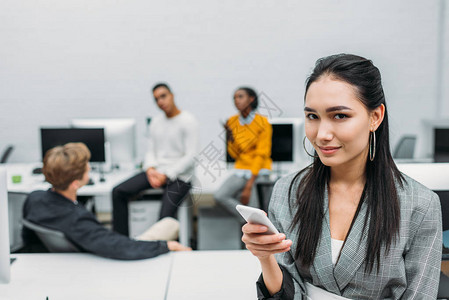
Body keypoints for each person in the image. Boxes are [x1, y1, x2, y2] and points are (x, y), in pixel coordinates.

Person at [242, 54, 442, 299]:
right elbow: (285, 293)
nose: (322, 134)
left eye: (340, 116)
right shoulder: (288, 191)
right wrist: (266, 258)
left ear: (375, 117)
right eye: (313, 116)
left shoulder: (419, 205)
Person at [22, 143, 190, 260]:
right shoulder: (78, 220)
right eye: (86, 168)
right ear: (75, 184)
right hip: (108, 257)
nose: (89, 168)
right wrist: (166, 246)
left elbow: (28, 238)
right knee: (171, 225)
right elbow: (120, 248)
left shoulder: (34, 198)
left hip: (76, 256)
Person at [112, 83, 199, 236]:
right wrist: (151, 169)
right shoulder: (156, 122)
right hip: (157, 172)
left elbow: (191, 156)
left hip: (180, 176)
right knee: (118, 192)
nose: (160, 102)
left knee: (164, 218)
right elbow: (151, 151)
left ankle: (163, 249)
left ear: (172, 95)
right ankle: (121, 240)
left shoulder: (188, 121)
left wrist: (166, 175)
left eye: (163, 96)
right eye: (157, 99)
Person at [214, 87, 272, 220]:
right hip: (241, 169)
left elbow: (261, 154)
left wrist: (249, 185)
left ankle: (252, 222)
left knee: (254, 207)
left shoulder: (262, 122)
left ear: (251, 99)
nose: (236, 101)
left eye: (240, 96)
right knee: (220, 195)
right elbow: (234, 155)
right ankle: (248, 220)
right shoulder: (232, 121)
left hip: (258, 171)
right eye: (234, 98)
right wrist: (230, 137)